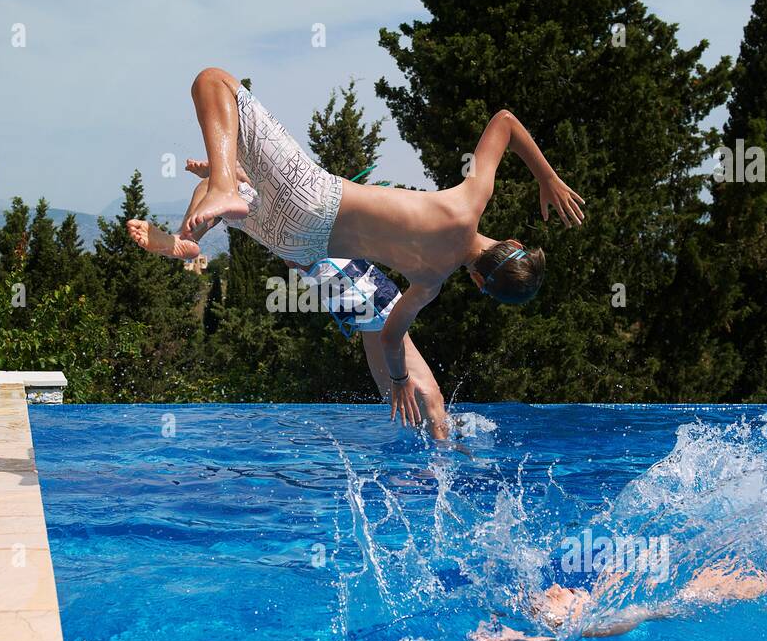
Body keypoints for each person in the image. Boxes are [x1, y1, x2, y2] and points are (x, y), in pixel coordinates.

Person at [176, 68, 585, 427]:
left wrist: (546, 179)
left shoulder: (468, 204)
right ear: (480, 283)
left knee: (213, 82)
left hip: (318, 199)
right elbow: (391, 339)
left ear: (511, 242)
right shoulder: (430, 282)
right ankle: (222, 188)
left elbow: (506, 121)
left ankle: (223, 184)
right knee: (242, 160)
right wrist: (400, 380)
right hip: (299, 245)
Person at [127, 160, 451, 439]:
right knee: (417, 387)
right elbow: (248, 178)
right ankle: (440, 445)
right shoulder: (245, 190)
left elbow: (248, 177)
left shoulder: (247, 191)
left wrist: (216, 171)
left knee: (396, 388)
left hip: (331, 276)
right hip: (342, 273)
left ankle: (185, 238)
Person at [468, 559, 767, 641]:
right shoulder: (600, 622)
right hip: (688, 600)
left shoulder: (605, 598)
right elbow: (564, 636)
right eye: (562, 593)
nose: (557, 585)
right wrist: (517, 638)